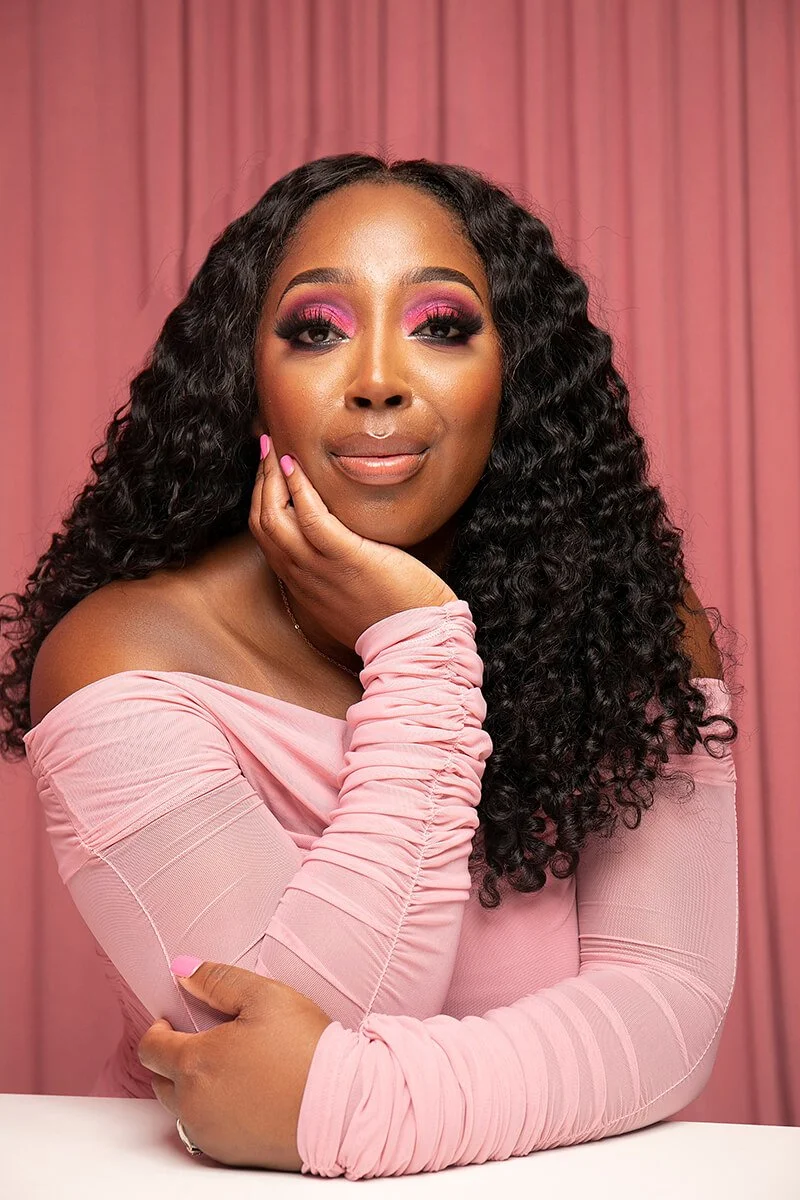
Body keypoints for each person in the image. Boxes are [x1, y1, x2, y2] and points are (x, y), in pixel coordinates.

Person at [0, 152, 740, 1180]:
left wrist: (356, 1107)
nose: (380, 379)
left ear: (512, 371)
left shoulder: (624, 626)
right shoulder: (121, 655)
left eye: (442, 326)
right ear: (245, 376)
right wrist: (424, 657)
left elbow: (671, 1007)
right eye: (316, 330)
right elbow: (286, 1038)